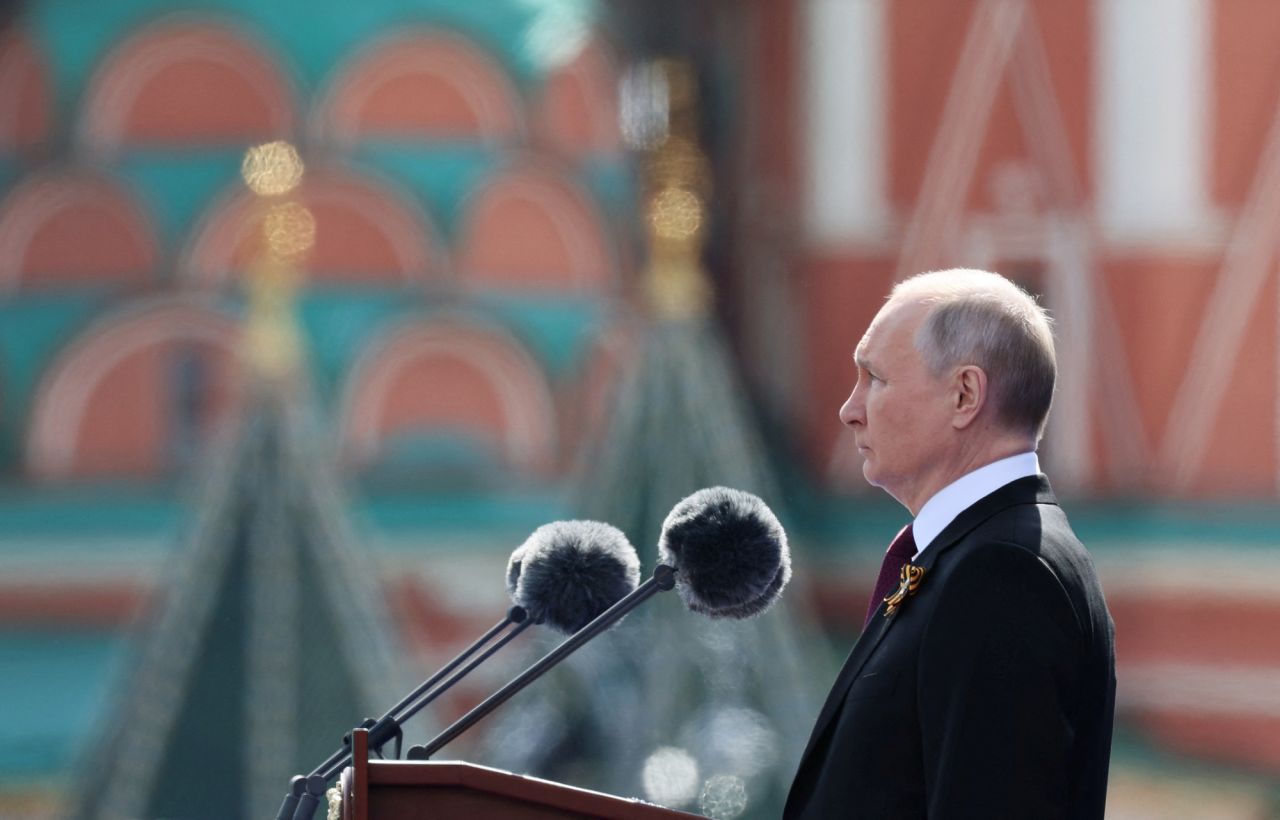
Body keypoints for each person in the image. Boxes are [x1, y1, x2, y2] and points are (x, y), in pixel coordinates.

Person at [785, 269, 1115, 819]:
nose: (850, 409)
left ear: (964, 395)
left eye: (875, 379)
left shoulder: (1004, 573)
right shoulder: (972, 556)